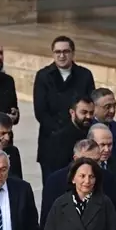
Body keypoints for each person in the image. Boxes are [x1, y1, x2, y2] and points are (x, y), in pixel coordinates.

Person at [33, 36, 95, 172]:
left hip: (79, 140)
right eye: (58, 52)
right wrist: (61, 133)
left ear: (73, 53)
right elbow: (41, 112)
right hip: (52, 142)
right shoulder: (43, 76)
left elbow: (90, 105)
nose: (62, 56)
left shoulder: (85, 75)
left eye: (66, 52)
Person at [40, 95, 94, 181]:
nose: (88, 116)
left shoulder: (92, 133)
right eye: (84, 112)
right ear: (72, 112)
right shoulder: (59, 139)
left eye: (91, 113)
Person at [90, 87, 116, 168]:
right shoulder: (89, 129)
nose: (112, 110)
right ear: (94, 107)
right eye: (107, 107)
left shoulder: (115, 126)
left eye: (114, 106)